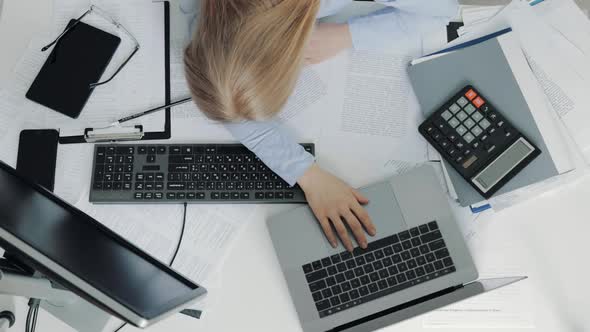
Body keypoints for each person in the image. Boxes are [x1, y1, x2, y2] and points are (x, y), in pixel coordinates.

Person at [183, 0, 458, 252]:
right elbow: (231, 100)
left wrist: (348, 35)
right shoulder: (207, 19)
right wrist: (306, 173)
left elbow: (444, 9)